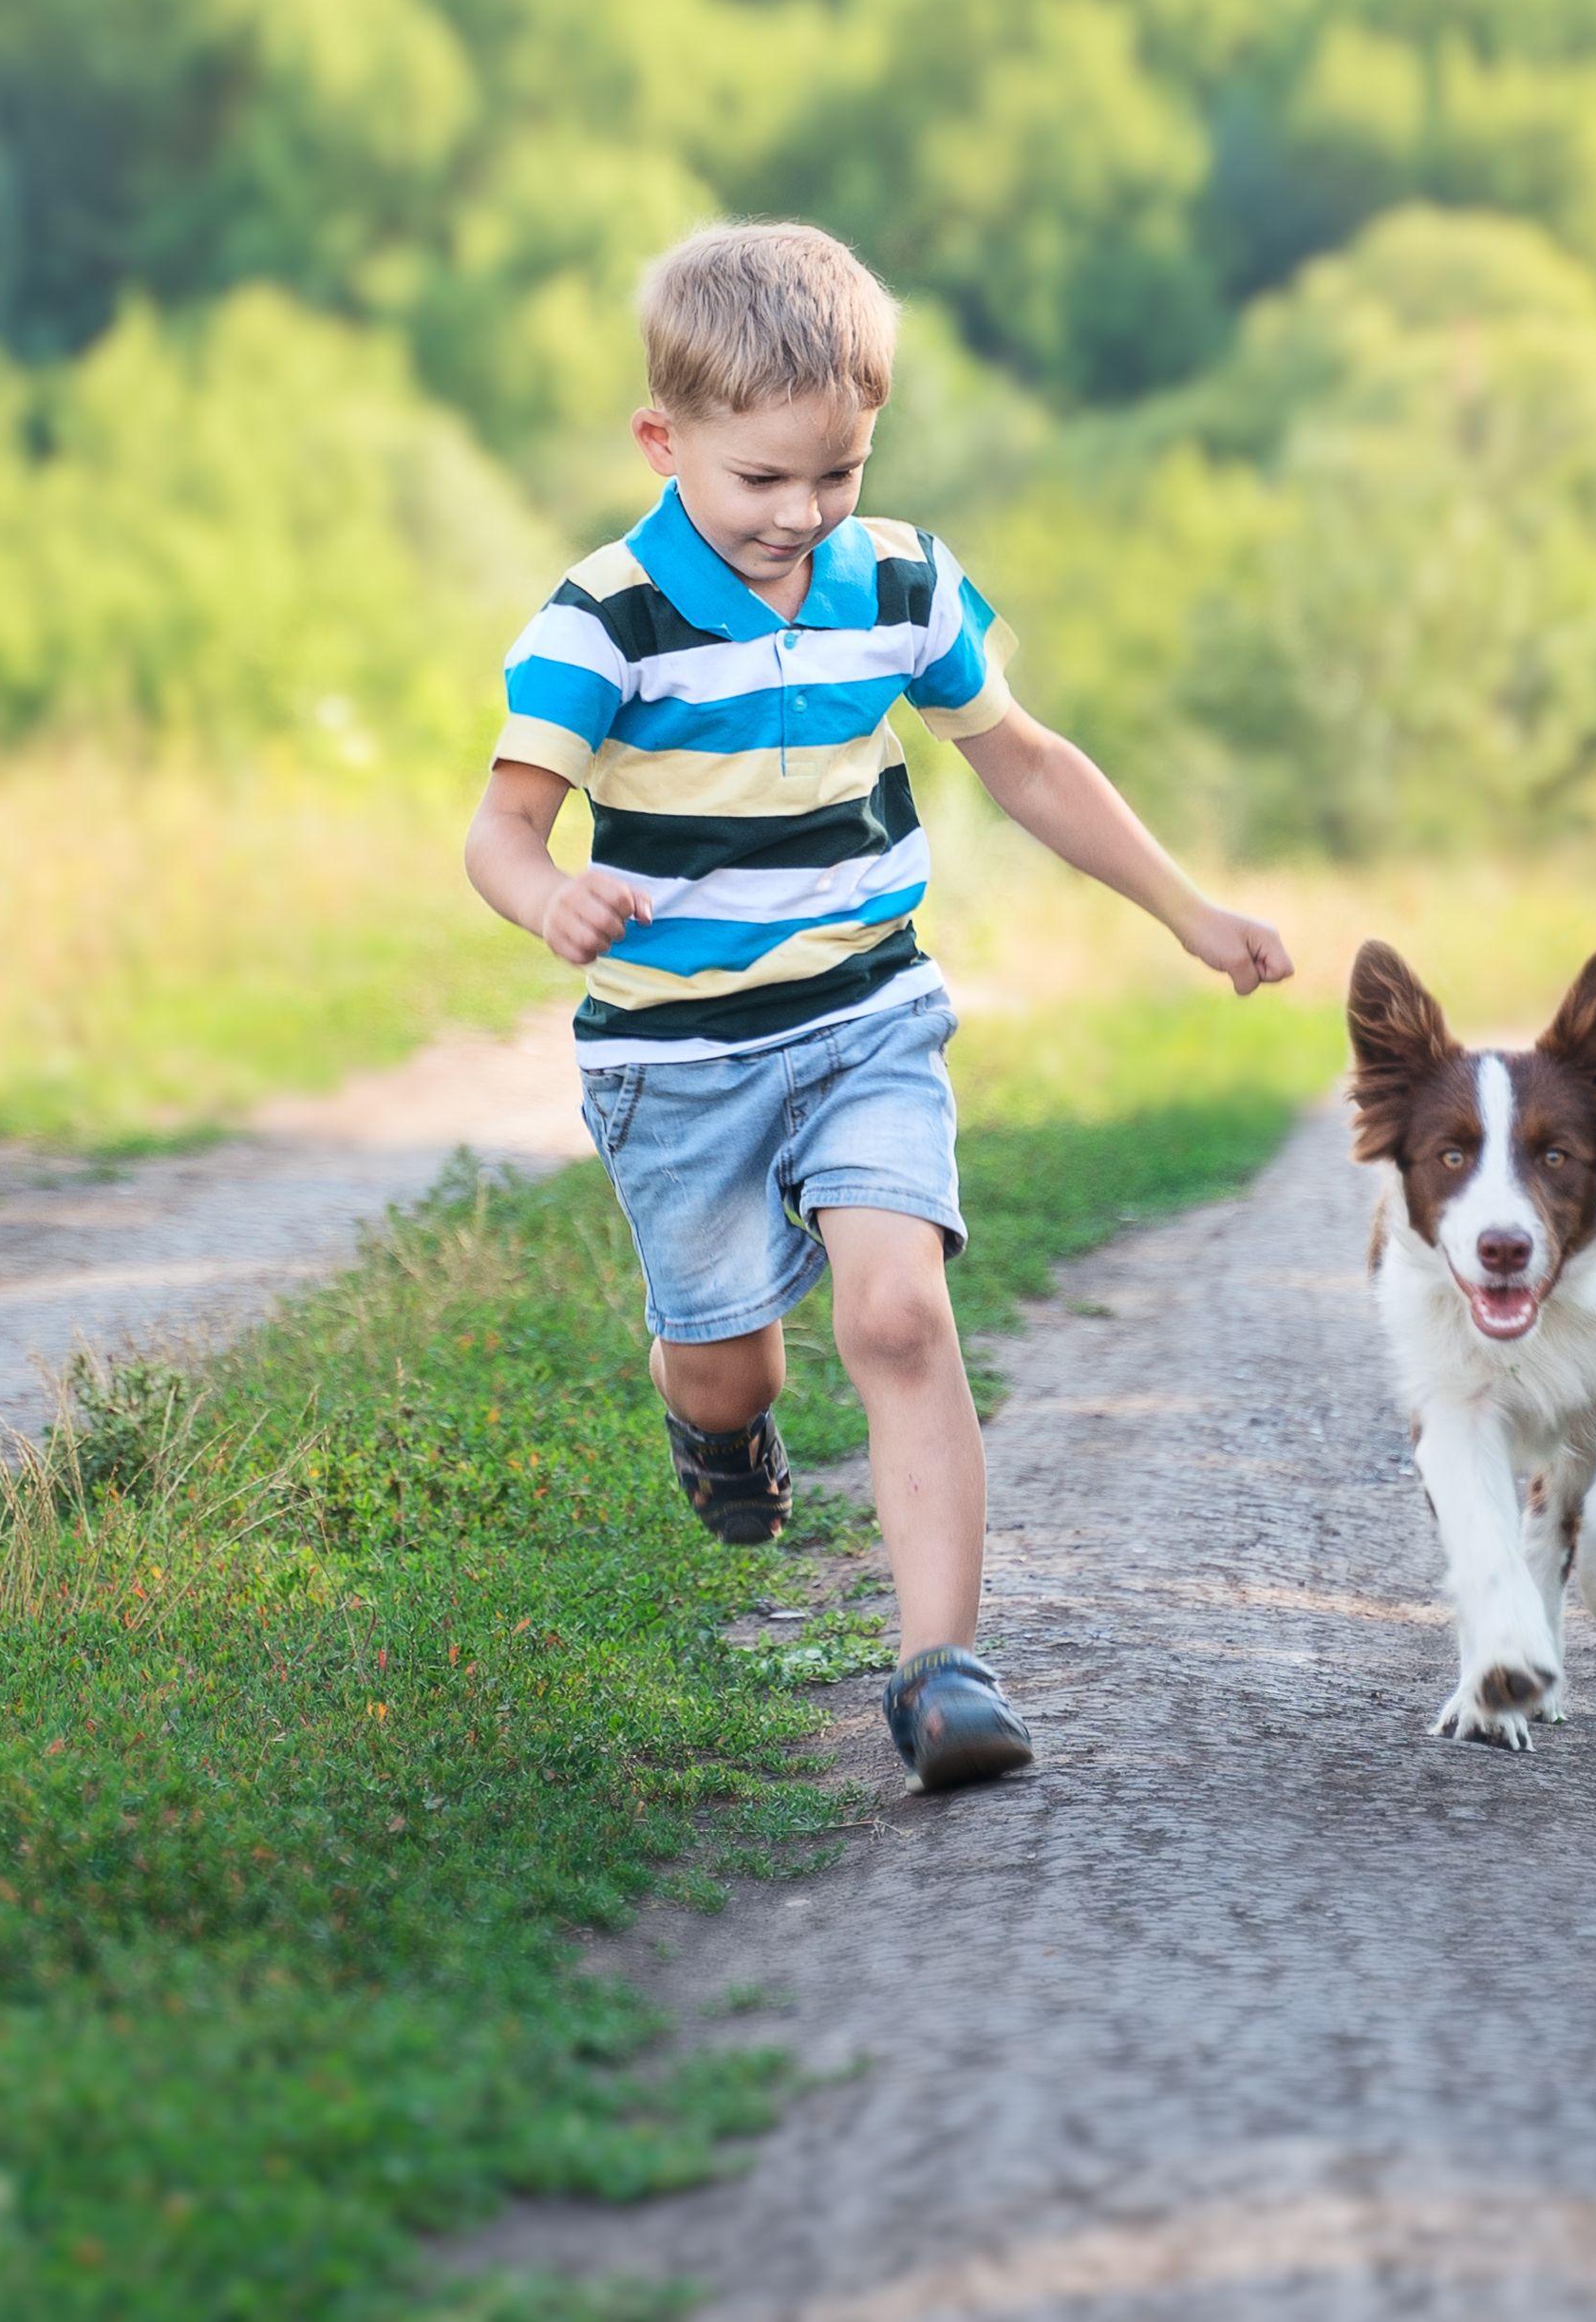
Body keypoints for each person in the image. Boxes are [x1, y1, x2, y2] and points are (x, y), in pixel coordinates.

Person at [462, 219, 1292, 1791]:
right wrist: (547, 894)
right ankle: (714, 1425)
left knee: (899, 1318)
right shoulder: (604, 615)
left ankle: (941, 1671)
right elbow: (500, 826)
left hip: (864, 1018)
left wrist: (1189, 908)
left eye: (835, 471)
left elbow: (1027, 759)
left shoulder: (900, 576)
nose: (801, 514)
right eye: (760, 480)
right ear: (665, 438)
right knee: (735, 1364)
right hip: (676, 1057)